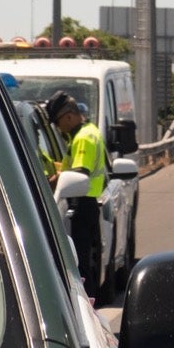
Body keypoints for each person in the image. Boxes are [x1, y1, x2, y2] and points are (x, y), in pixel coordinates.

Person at [46, 91, 108, 296]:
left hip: (79, 205)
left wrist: (51, 182)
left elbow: (80, 173)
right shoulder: (88, 131)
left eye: (57, 122)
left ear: (69, 116)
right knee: (84, 263)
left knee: (79, 265)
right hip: (85, 204)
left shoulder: (83, 138)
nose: (57, 127)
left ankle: (87, 308)